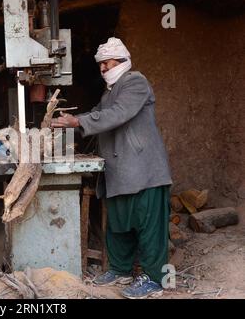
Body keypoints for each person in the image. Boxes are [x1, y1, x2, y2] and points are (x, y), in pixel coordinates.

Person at [51, 37, 173, 299]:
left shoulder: (135, 82)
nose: (103, 68)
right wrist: (69, 123)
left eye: (107, 63)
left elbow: (117, 114)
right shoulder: (108, 93)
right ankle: (120, 269)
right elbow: (96, 115)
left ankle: (155, 280)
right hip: (119, 171)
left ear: (123, 61)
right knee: (119, 223)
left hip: (144, 170)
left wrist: (77, 122)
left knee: (149, 227)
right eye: (101, 65)